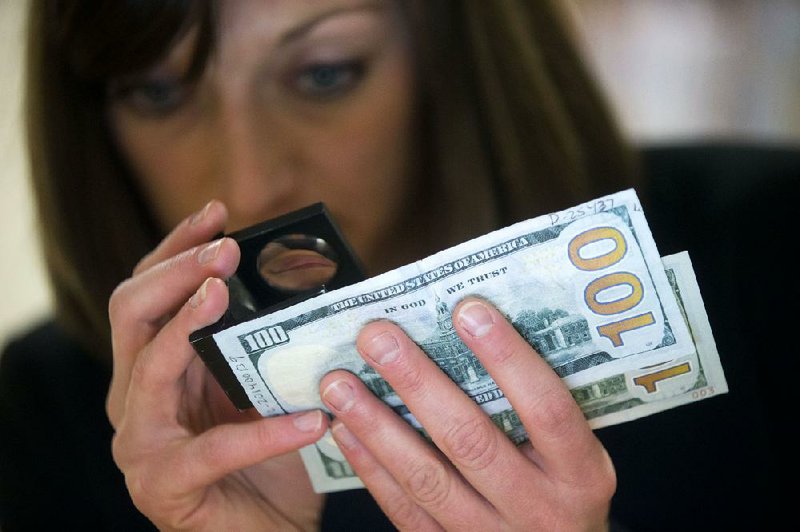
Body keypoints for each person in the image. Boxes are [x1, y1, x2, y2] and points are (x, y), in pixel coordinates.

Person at [1, 0, 795, 530]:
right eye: (155, 93)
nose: (245, 182)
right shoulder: (48, 408)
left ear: (455, 59)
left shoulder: (769, 240)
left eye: (324, 73)